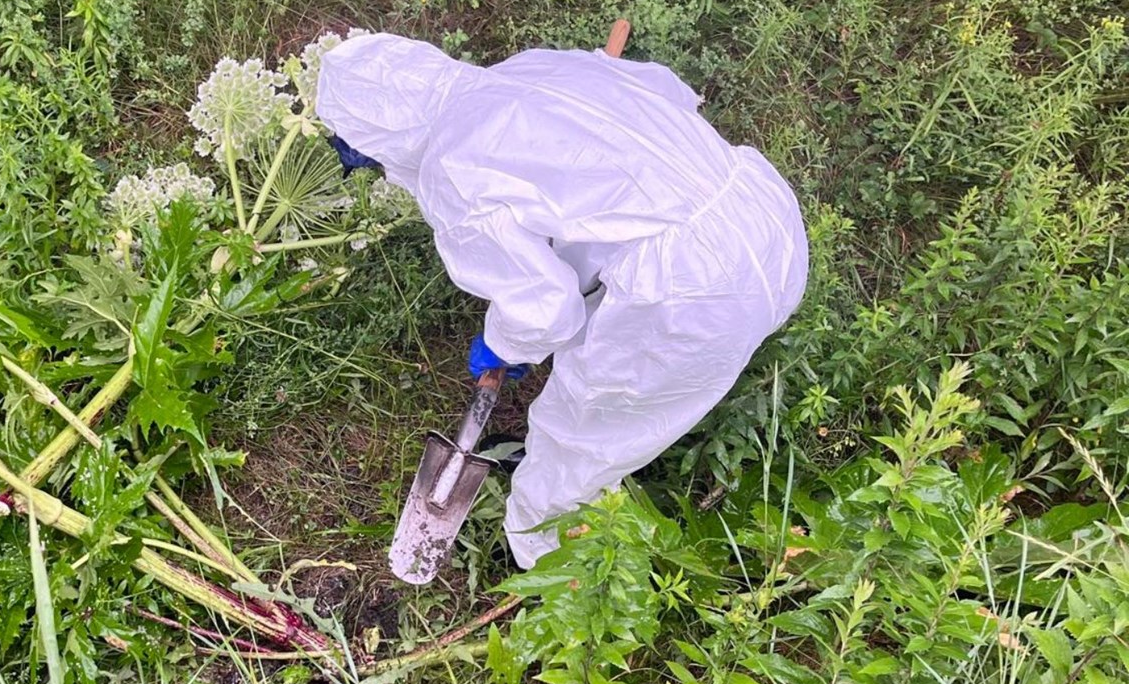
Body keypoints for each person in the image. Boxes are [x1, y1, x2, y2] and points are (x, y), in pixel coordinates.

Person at [316, 33, 808, 570]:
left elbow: (544, 310)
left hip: (698, 292)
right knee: (613, 314)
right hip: (768, 221)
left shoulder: (450, 170)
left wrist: (501, 344)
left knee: (580, 432)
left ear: (380, 141)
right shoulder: (530, 69)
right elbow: (668, 92)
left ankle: (545, 562)